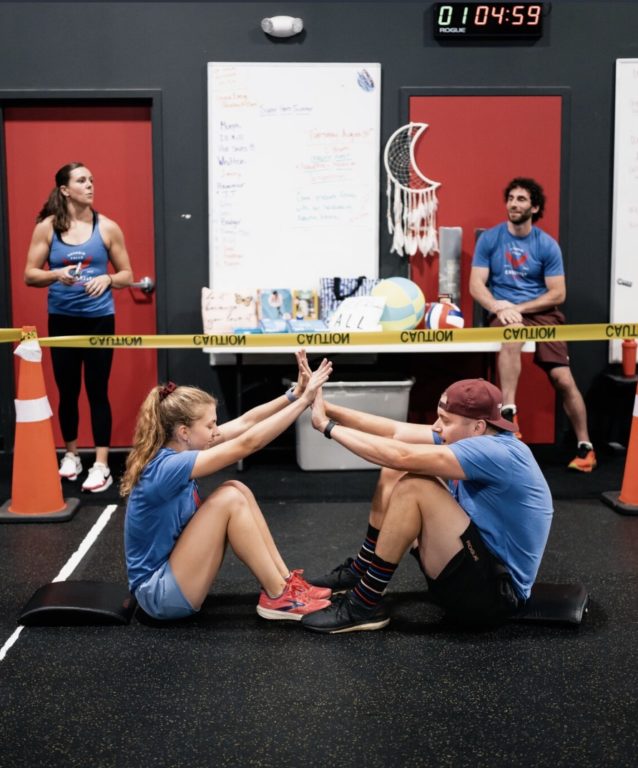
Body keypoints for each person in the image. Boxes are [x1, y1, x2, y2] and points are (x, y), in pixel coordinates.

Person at [301, 377, 553, 634]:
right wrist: (324, 406)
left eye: (445, 420)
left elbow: (402, 455)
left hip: (494, 598)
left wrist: (326, 426)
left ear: (478, 427)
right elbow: (394, 433)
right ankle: (361, 571)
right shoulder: (475, 436)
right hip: (475, 570)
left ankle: (363, 605)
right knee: (394, 471)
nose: (436, 427)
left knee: (414, 485)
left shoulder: (496, 452)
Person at [120, 351, 334, 622]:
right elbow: (248, 444)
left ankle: (284, 583)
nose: (216, 430)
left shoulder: (178, 451)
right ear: (184, 432)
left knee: (235, 487)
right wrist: (304, 401)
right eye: (210, 425)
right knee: (229, 499)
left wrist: (293, 395)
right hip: (158, 595)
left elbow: (246, 423)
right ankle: (279, 595)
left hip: (173, 576)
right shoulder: (167, 467)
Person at [469, 177, 596, 473]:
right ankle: (510, 412)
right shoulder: (490, 239)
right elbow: (477, 285)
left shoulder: (546, 245)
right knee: (512, 335)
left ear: (534, 206)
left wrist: (519, 307)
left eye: (522, 199)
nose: (514, 203)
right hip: (505, 314)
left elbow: (558, 293)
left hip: (541, 313)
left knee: (563, 380)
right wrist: (499, 306)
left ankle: (586, 447)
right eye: (511, 198)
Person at [24, 162, 133, 492]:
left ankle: (101, 464)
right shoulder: (47, 228)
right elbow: (30, 274)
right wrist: (56, 274)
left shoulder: (108, 228)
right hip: (62, 320)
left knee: (97, 391)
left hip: (99, 319)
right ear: (64, 189)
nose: (90, 185)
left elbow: (127, 274)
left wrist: (108, 278)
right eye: (82, 180)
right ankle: (71, 455)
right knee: (68, 391)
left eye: (92, 180)